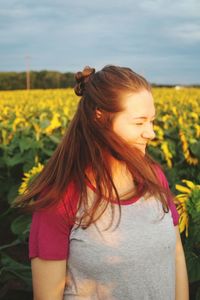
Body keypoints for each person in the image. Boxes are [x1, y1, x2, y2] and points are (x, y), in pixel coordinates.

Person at [15, 65, 189, 300]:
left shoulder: (153, 175)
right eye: (139, 123)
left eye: (152, 121)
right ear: (100, 117)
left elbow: (176, 254)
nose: (151, 133)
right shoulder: (60, 196)